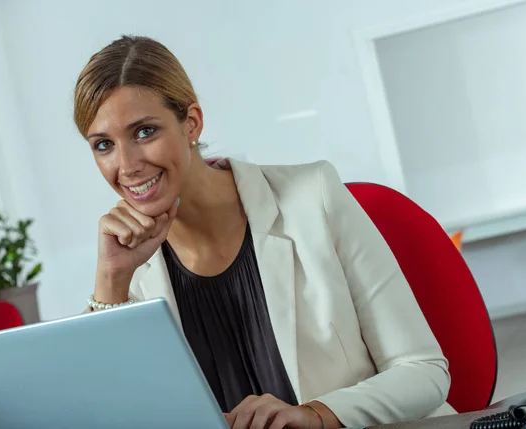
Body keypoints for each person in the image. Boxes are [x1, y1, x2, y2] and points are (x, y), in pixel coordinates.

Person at [74, 35, 455, 429]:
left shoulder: (313, 198)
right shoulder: (128, 267)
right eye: (104, 145)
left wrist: (316, 416)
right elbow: (99, 415)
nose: (127, 165)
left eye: (143, 132)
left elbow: (423, 370)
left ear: (191, 123)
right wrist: (110, 280)